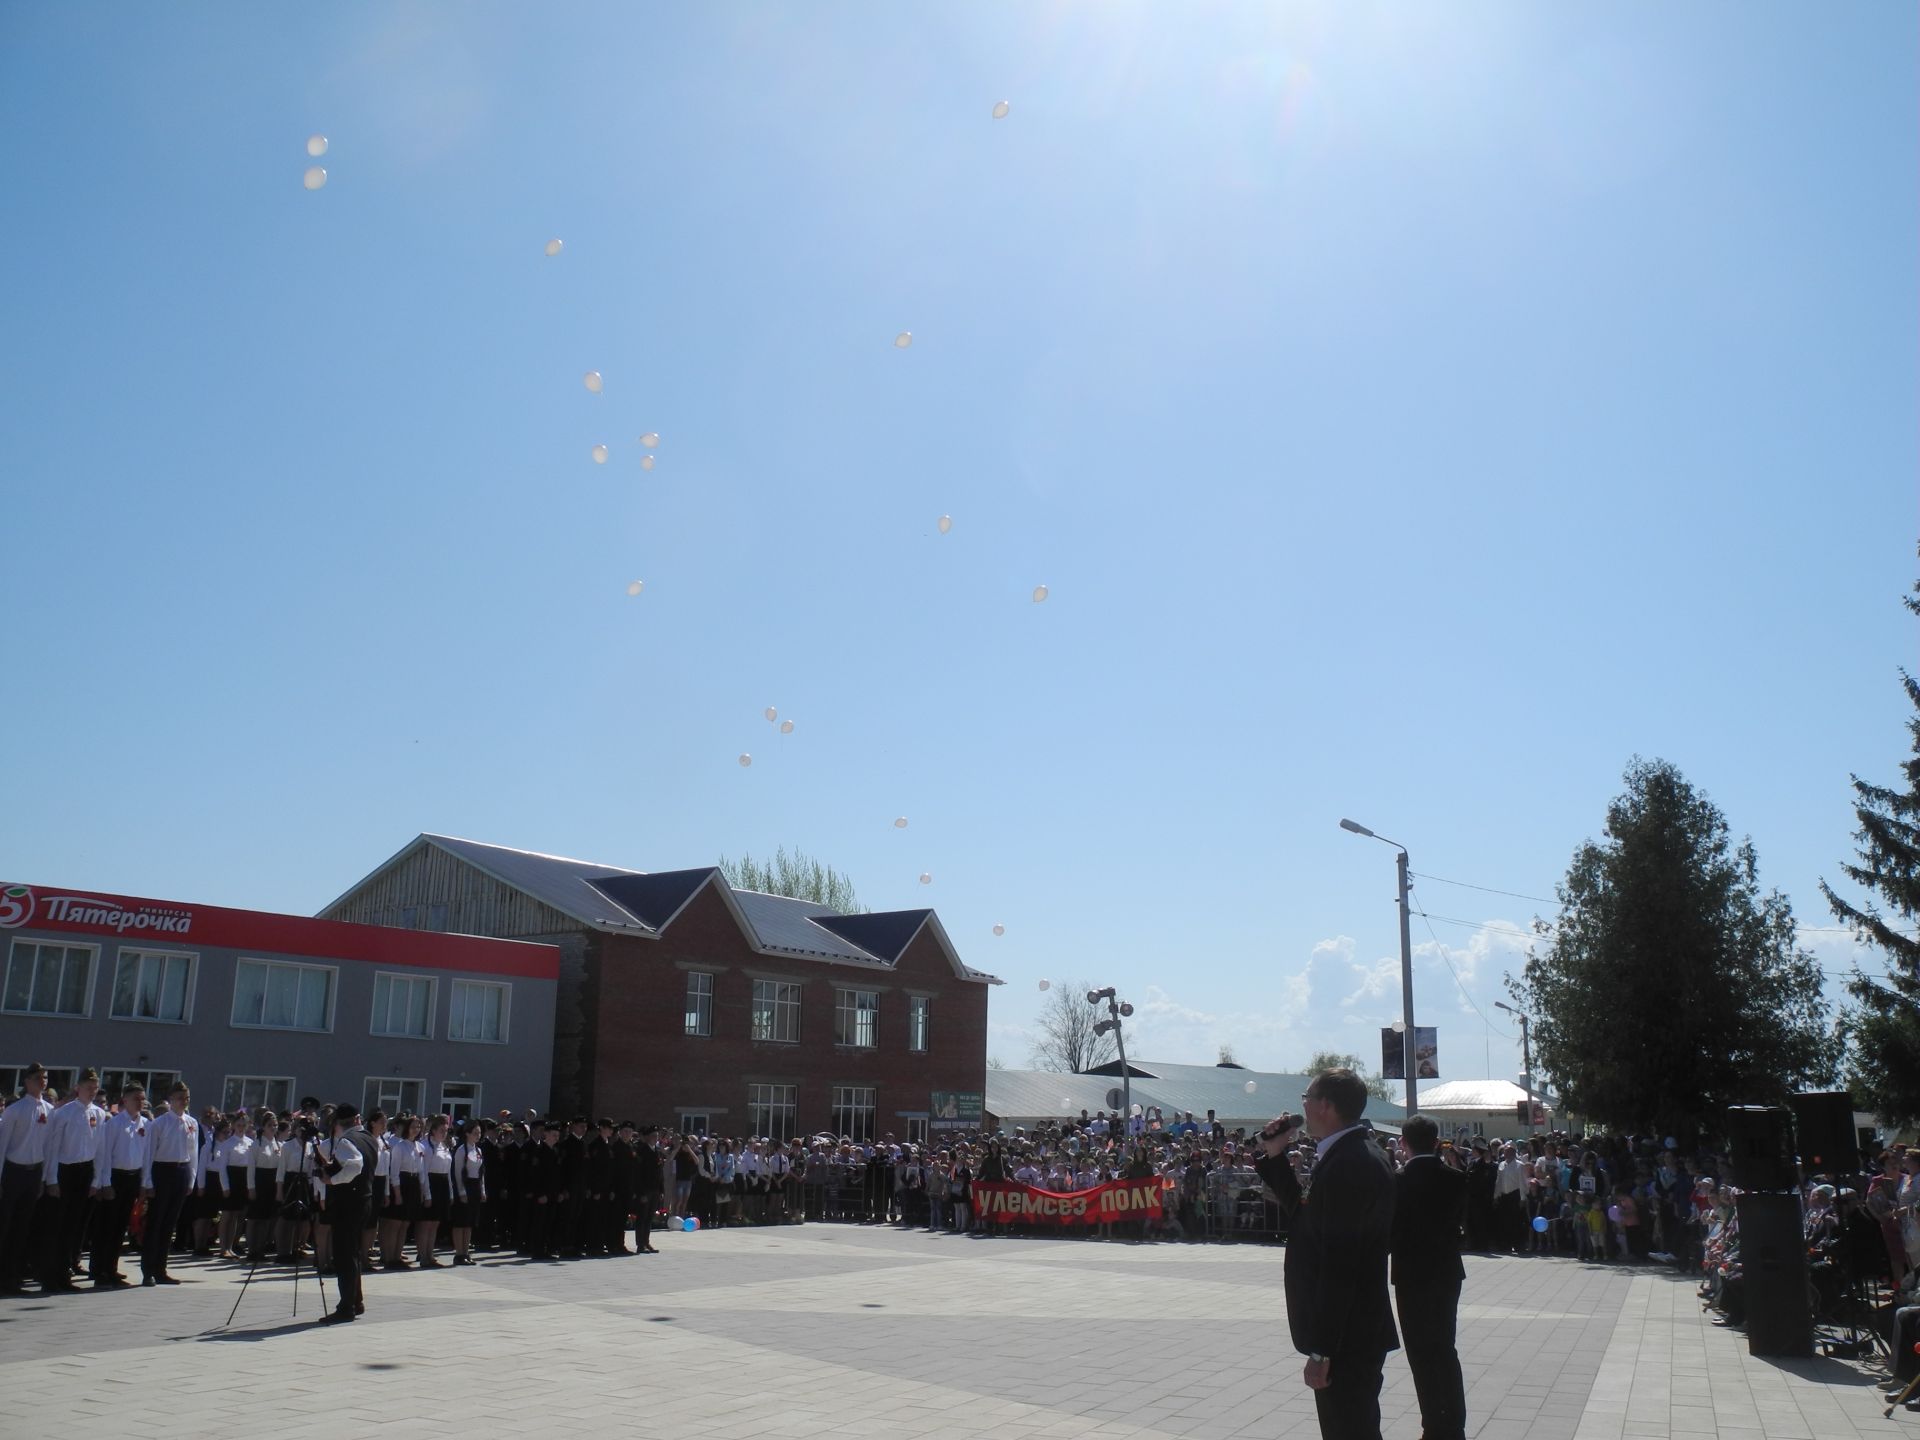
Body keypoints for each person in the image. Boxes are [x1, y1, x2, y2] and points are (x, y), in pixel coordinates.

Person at [1254, 1069, 1399, 1440]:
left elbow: (1340, 1265)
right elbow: (1308, 1221)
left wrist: (1322, 1350)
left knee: (1350, 1431)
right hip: (1353, 1331)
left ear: (1325, 1106)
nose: (1301, 1103)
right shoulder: (1350, 1154)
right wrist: (1275, 1155)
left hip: (1349, 1336)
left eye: (1307, 1095)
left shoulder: (1351, 1163)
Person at [1390, 1115, 1468, 1440]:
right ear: (1436, 1142)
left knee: (1419, 1352)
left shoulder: (1395, 1181)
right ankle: (1453, 1421)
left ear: (1403, 1144)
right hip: (1447, 1270)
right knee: (1444, 1347)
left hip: (1409, 1273)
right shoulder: (1456, 1178)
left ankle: (1432, 1424)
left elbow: (1390, 1231)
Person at [45, 1067, 107, 1289]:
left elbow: (100, 1149)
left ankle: (67, 1269)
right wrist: (51, 1179)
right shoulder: (63, 1113)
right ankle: (53, 1275)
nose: (92, 1092)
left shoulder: (99, 1114)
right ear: (77, 1088)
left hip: (85, 1171)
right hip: (65, 1171)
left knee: (76, 1225)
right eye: (88, 1087)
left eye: (95, 1088)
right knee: (60, 1225)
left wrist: (95, 1180)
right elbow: (53, 1148)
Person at [0, 1061, 56, 1293]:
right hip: (13, 1171)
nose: (42, 1082)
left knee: (22, 1229)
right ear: (27, 1081)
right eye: (38, 1078)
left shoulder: (50, 1111)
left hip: (33, 1173)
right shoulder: (15, 1110)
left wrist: (44, 1178)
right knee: (5, 1227)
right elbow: (2, 1147)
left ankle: (13, 1277)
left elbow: (49, 1148)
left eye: (44, 1078)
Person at [316, 1103, 374, 1325]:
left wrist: (332, 1179)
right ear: (357, 1119)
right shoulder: (369, 1138)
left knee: (344, 1254)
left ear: (339, 1123)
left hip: (348, 1202)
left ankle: (346, 1306)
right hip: (364, 1199)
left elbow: (355, 1165)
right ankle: (355, 1300)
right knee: (353, 1252)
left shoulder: (347, 1141)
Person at [140, 1080, 201, 1286]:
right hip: (162, 1170)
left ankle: (161, 1269)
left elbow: (193, 1154)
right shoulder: (159, 1123)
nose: (184, 1102)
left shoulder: (192, 1123)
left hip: (181, 1170)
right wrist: (147, 1181)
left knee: (169, 1224)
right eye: (180, 1098)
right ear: (171, 1100)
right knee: (156, 1222)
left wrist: (191, 1179)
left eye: (187, 1098)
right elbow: (149, 1154)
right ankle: (148, 1269)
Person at [89, 1082, 149, 1287]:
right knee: (107, 1225)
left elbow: (145, 1156)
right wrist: (105, 1183)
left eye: (142, 1098)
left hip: (133, 1177)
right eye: (136, 1099)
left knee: (120, 1226)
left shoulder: (145, 1124)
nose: (141, 1102)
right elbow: (105, 1155)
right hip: (115, 1177)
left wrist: (143, 1183)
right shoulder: (114, 1124)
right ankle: (99, 1270)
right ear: (125, 1100)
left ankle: (111, 1268)